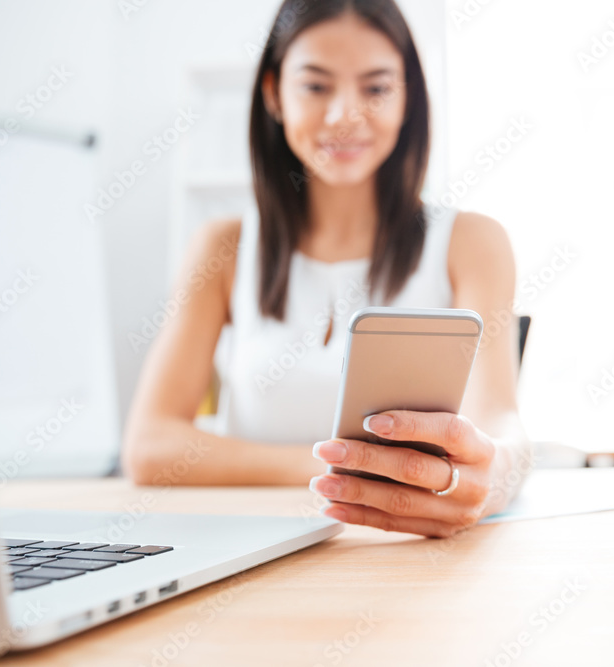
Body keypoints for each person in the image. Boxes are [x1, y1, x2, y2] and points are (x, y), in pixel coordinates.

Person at [122, 0, 534, 538]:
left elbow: (501, 425)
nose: (344, 116)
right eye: (316, 86)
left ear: (408, 96)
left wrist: (495, 473)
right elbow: (151, 444)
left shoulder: (472, 242)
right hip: (255, 549)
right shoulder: (223, 248)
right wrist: (341, 468)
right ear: (274, 93)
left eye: (376, 87)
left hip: (409, 553)